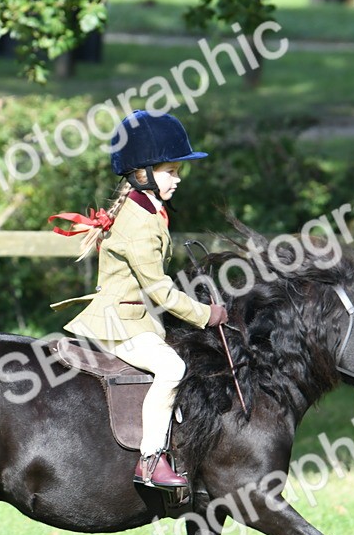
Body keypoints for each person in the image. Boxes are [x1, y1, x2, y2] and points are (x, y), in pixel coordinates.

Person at [51, 110, 227, 489]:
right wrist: (206, 315)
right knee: (171, 370)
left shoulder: (146, 209)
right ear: (143, 172)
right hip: (122, 323)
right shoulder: (141, 222)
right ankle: (150, 461)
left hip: (135, 317)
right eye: (171, 171)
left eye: (179, 172)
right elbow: (159, 289)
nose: (178, 179)